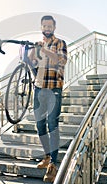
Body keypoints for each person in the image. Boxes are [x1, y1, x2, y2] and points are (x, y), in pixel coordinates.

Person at [29, 15, 67, 182]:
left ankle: (53, 163)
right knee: (39, 124)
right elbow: (31, 62)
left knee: (52, 124)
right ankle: (46, 156)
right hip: (39, 88)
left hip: (54, 89)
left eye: (50, 26)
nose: (47, 28)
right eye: (44, 25)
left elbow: (60, 60)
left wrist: (44, 49)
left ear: (54, 27)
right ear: (41, 27)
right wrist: (32, 50)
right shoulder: (39, 45)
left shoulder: (60, 43)